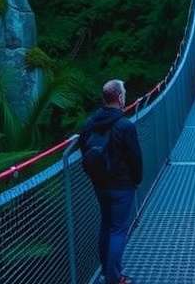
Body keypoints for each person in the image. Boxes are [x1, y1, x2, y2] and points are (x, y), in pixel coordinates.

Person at [80, 79, 143, 284]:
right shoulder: (125, 125)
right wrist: (137, 179)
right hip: (122, 186)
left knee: (106, 225)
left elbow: (84, 149)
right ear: (120, 98)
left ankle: (106, 272)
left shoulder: (90, 123)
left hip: (100, 184)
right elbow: (135, 157)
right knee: (118, 231)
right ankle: (114, 278)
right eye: (124, 93)